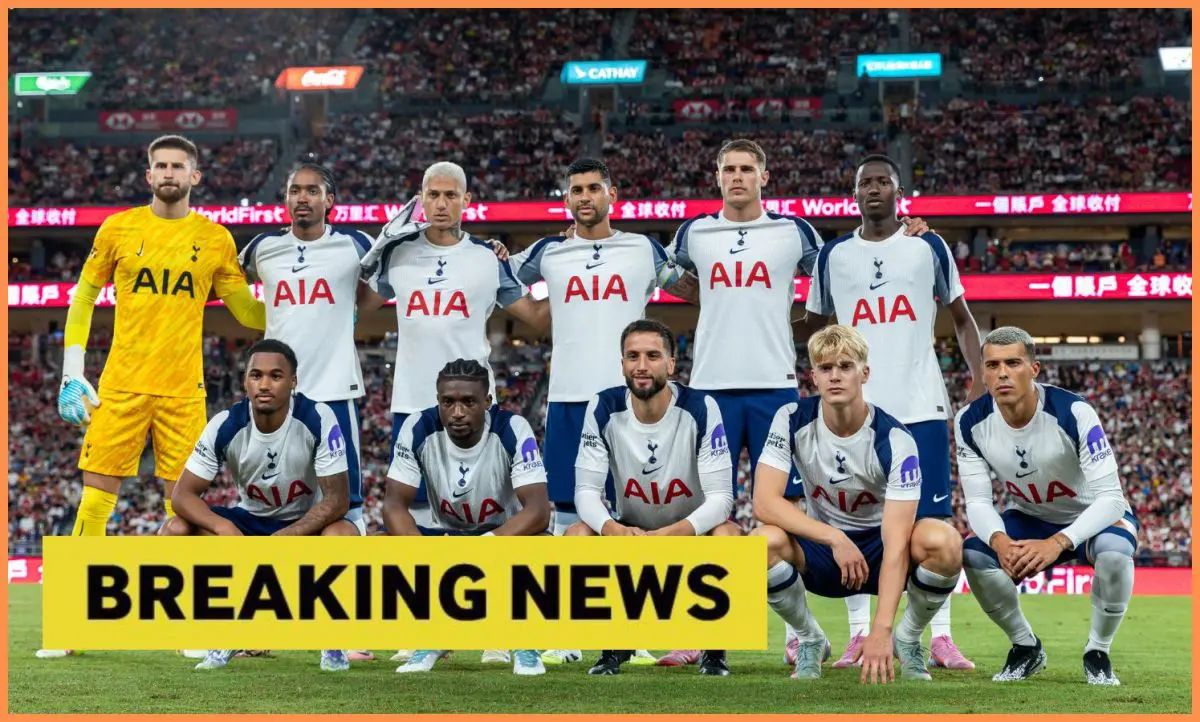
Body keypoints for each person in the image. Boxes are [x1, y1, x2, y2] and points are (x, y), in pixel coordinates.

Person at [667, 140, 929, 663]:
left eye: (747, 169)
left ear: (765, 175)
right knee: (704, 506)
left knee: (794, 505)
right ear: (716, 176)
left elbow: (845, 264)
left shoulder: (795, 232)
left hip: (774, 383)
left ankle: (808, 630)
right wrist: (725, 300)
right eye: (729, 170)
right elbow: (665, 273)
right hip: (712, 387)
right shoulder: (693, 232)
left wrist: (905, 235)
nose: (737, 177)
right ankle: (698, 631)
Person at [42, 134, 265, 659]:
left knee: (182, 507)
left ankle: (187, 629)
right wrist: (74, 371)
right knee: (96, 500)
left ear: (195, 176)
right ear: (148, 176)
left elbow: (247, 314)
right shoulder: (119, 227)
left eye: (178, 166)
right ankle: (71, 624)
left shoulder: (215, 239)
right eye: (160, 165)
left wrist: (307, 309)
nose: (168, 172)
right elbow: (84, 296)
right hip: (120, 385)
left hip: (183, 391)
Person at [508, 158, 697, 667]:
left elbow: (691, 287)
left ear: (613, 193)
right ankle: (568, 633)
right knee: (567, 518)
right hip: (569, 398)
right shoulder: (548, 253)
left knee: (627, 518)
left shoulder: (641, 247)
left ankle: (630, 633)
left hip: (628, 405)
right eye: (576, 189)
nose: (585, 196)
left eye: (594, 187)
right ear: (566, 198)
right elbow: (502, 280)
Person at [359, 161, 547, 665]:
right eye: (432, 194)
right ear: (420, 198)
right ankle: (428, 630)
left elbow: (534, 313)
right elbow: (355, 307)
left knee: (495, 516)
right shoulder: (398, 255)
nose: (440, 203)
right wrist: (372, 253)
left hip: (477, 410)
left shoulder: (488, 259)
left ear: (467, 200)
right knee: (416, 518)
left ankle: (499, 630)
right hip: (412, 406)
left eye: (450, 194)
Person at [801, 154, 981, 670]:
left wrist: (976, 377)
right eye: (866, 183)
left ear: (899, 193)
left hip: (920, 406)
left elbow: (963, 318)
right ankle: (860, 634)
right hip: (853, 413)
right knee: (854, 520)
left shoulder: (928, 245)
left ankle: (936, 636)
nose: (875, 188)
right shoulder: (833, 255)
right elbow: (814, 333)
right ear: (853, 194)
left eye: (884, 181)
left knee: (932, 521)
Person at [751, 325, 963, 682]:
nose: (835, 376)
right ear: (813, 376)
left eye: (845, 366)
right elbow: (765, 503)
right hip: (824, 551)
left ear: (864, 373)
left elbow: (896, 543)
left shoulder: (895, 439)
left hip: (881, 550)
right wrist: (834, 538)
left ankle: (907, 639)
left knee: (945, 541)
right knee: (759, 543)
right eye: (826, 367)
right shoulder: (790, 419)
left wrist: (881, 629)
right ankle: (810, 639)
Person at [240, 159, 377, 661]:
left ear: (329, 200)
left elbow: (396, 271)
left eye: (312, 191)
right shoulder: (262, 248)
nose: (302, 198)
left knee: (349, 511)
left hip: (335, 394)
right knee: (266, 509)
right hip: (277, 404)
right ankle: (260, 627)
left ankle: (351, 633)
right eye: (294, 190)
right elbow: (221, 277)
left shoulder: (355, 245)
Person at [956, 327, 1136, 686]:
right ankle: (1025, 646)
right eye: (992, 365)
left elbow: (1112, 498)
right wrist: (1000, 542)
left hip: (1093, 518)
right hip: (1031, 519)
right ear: (983, 372)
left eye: (1013, 363)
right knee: (974, 554)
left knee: (1115, 553)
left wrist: (1057, 543)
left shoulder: (1073, 411)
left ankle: (1097, 652)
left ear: (1034, 369)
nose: (1002, 373)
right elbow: (977, 501)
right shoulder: (969, 421)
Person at [161, 340, 355, 672]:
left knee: (343, 535)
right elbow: (182, 496)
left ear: (294, 381)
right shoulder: (226, 423)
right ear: (245, 381)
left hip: (305, 520)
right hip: (251, 519)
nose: (264, 385)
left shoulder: (318, 417)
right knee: (174, 530)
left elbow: (338, 499)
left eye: (276, 376)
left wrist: (286, 538)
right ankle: (221, 631)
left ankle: (331, 640)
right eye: (256, 375)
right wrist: (224, 529)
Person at [566, 320, 737, 676]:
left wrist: (671, 534)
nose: (641, 365)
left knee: (729, 535)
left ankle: (714, 648)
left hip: (689, 532)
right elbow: (585, 491)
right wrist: (612, 528)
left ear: (671, 364)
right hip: (631, 532)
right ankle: (613, 644)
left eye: (652, 356)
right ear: (622, 363)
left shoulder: (701, 406)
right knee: (577, 535)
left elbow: (722, 498)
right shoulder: (603, 406)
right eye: (632, 356)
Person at [383, 359, 551, 676]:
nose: (457, 412)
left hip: (504, 537)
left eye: (468, 402)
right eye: (448, 402)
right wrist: (418, 550)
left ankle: (523, 640)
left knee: (543, 544)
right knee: (385, 543)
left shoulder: (512, 428)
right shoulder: (418, 426)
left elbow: (538, 510)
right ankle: (433, 636)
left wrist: (486, 545)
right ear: (438, 402)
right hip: (445, 536)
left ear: (487, 402)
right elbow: (393, 505)